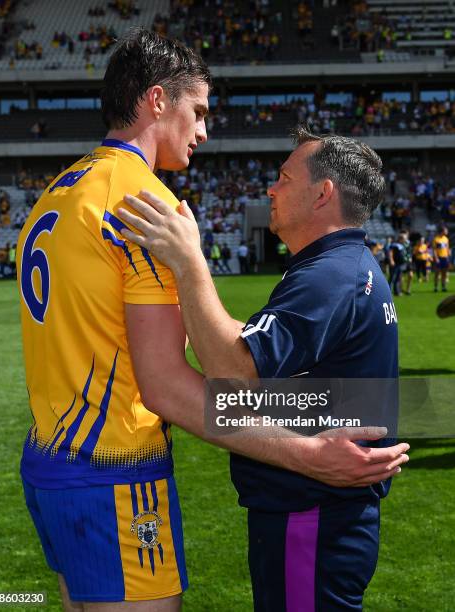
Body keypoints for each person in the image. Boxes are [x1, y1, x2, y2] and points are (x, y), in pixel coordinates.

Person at [16, 31, 408, 612]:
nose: (204, 131)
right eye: (197, 111)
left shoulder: (58, 191)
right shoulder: (147, 206)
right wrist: (307, 454)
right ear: (156, 101)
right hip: (116, 466)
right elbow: (170, 388)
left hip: (49, 462)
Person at [118, 127, 406, 611]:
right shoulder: (344, 266)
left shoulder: (328, 277)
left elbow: (235, 374)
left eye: (284, 177)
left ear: (323, 193)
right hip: (323, 513)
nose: (271, 188)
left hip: (310, 514)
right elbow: (260, 353)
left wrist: (189, 262)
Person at [433, 225, 450, 292]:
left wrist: (448, 256)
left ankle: (443, 287)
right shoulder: (436, 239)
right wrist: (436, 258)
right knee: (437, 273)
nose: (447, 231)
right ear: (442, 231)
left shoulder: (446, 239)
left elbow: (447, 248)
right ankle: (436, 287)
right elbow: (434, 250)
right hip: (439, 258)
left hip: (445, 258)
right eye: (446, 230)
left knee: (444, 273)